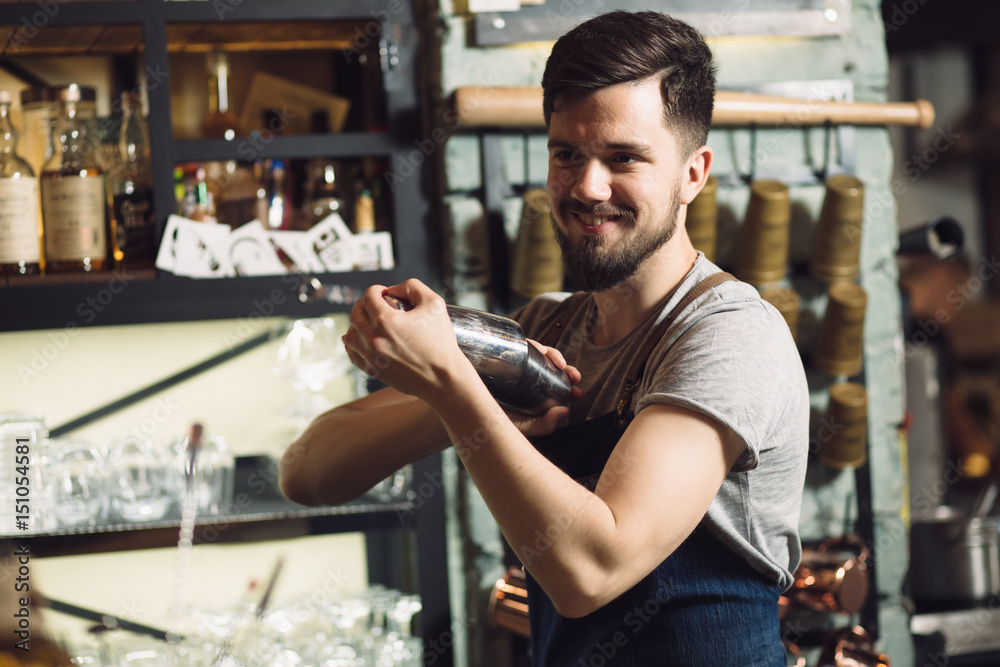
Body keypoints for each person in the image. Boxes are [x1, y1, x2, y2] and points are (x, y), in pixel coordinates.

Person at [280, 10, 809, 665]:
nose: (588, 186)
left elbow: (592, 569)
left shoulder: (727, 332)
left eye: (624, 158)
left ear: (693, 174)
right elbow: (307, 472)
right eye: (567, 153)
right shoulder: (543, 331)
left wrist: (454, 386)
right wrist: (447, 397)